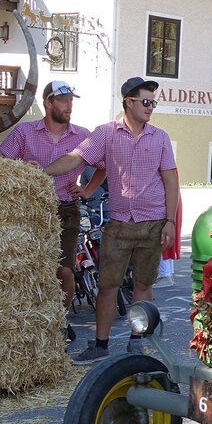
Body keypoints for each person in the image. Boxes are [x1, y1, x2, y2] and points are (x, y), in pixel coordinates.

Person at [45, 76, 179, 364]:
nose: (150, 107)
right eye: (145, 102)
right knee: (107, 286)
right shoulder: (105, 134)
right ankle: (100, 345)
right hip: (118, 223)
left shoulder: (160, 137)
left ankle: (137, 341)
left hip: (153, 222)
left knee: (143, 285)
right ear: (128, 102)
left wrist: (170, 221)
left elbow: (171, 180)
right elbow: (75, 158)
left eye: (153, 103)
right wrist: (41, 172)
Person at [0, 80, 99, 342]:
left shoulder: (83, 135)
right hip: (28, 211)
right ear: (48, 103)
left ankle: (59, 322)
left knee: (64, 270)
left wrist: (88, 190)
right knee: (30, 270)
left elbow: (104, 164)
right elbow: (2, 166)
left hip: (65, 209)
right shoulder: (25, 131)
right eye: (63, 100)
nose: (69, 106)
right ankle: (30, 323)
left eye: (71, 100)